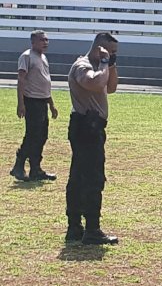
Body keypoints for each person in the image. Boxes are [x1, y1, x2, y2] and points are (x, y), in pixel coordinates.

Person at [65, 32, 120, 245]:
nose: (113, 56)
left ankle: (76, 228)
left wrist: (110, 64)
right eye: (111, 52)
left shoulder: (102, 68)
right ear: (99, 49)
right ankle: (91, 229)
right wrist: (105, 62)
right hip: (85, 127)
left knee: (80, 176)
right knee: (92, 178)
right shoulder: (83, 65)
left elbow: (111, 87)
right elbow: (95, 84)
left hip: (93, 128)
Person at [11, 30, 57, 182]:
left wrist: (51, 104)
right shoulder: (26, 56)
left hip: (43, 102)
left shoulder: (43, 58)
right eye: (42, 40)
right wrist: (21, 103)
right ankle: (18, 166)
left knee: (42, 136)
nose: (46, 43)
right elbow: (21, 80)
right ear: (33, 42)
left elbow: (45, 83)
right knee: (32, 135)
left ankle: (35, 169)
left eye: (47, 40)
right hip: (32, 102)